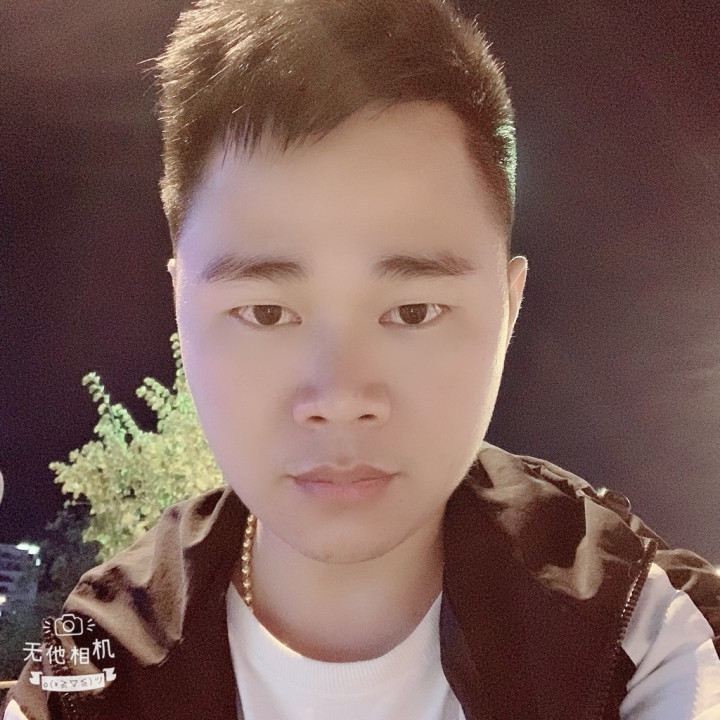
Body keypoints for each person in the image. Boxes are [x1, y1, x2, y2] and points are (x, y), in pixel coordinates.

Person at [3, 0, 719, 718]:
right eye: (265, 313)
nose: (340, 395)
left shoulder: (647, 637)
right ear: (181, 310)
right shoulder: (92, 673)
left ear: (507, 309)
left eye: (413, 311)